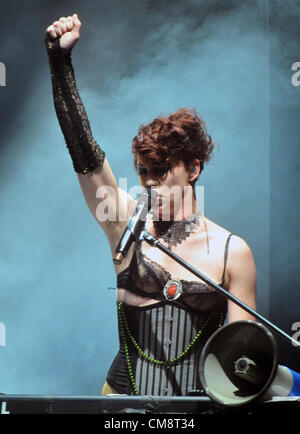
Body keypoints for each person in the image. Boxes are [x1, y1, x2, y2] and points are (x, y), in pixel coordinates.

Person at [45, 14, 257, 396]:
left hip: (196, 410)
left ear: (193, 168)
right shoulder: (124, 223)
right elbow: (83, 151)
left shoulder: (232, 252)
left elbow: (243, 363)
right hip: (121, 405)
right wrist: (59, 64)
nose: (151, 182)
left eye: (161, 170)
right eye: (143, 172)